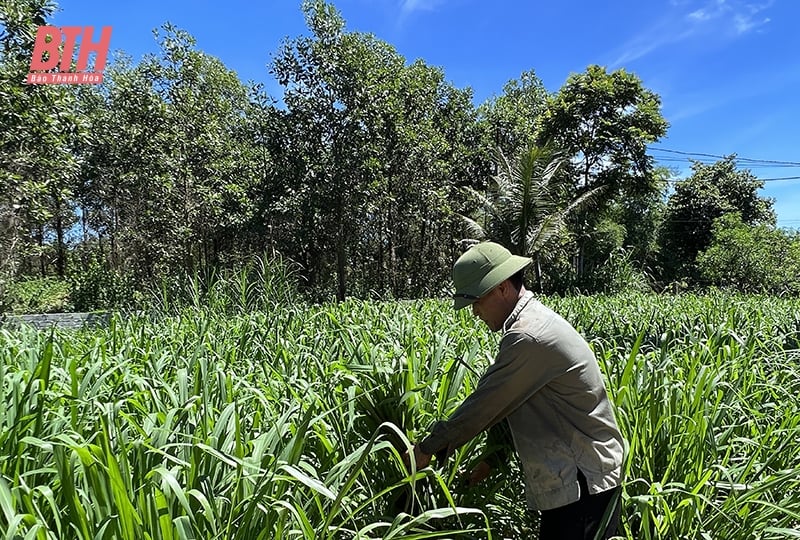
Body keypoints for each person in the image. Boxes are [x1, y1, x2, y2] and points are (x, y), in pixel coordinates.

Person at [404, 241, 624, 540]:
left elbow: (486, 404)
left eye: (476, 301)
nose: (475, 312)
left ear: (503, 288)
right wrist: (492, 459)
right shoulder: (530, 325)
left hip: (582, 483)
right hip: (578, 480)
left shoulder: (529, 335)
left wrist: (428, 448)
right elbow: (516, 403)